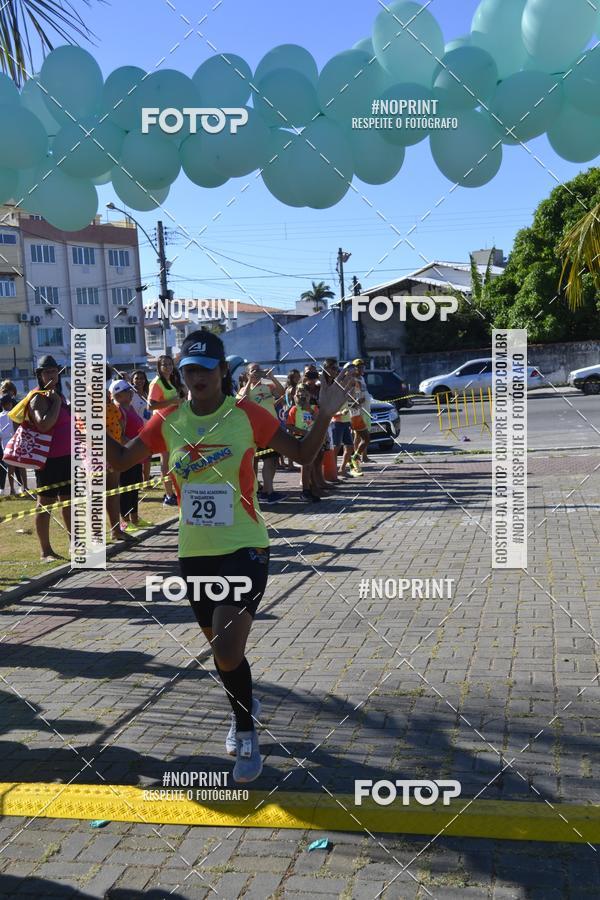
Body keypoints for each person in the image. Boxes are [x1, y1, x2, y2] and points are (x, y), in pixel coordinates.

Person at [105, 330, 352, 783]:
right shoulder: (167, 420)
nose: (197, 376)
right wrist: (92, 420)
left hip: (246, 546)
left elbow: (299, 452)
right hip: (194, 554)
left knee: (225, 645)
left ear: (223, 372)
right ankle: (244, 697)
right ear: (181, 376)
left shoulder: (247, 416)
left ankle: (245, 733)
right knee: (224, 656)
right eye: (189, 369)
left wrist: (325, 415)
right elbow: (121, 460)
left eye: (205, 368)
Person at [26, 356, 72, 561]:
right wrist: (54, 402)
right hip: (48, 460)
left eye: (54, 371)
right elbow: (44, 424)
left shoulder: (59, 396)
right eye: (47, 372)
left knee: (69, 502)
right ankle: (46, 551)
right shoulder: (39, 397)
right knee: (45, 503)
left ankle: (75, 544)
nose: (52, 375)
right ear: (40, 375)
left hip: (67, 457)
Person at [237, 363, 285, 504]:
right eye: (253, 371)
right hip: (257, 429)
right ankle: (265, 492)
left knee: (272, 460)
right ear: (247, 374)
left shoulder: (267, 387)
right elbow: (241, 401)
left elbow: (282, 393)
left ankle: (266, 490)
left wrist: (271, 377)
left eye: (259, 370)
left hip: (272, 427)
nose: (257, 373)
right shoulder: (244, 389)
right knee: (261, 460)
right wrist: (249, 382)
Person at [110, 379, 152, 532]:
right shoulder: (119, 411)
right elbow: (120, 436)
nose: (131, 392)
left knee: (135, 487)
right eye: (127, 391)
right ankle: (124, 521)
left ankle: (135, 517)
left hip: (135, 454)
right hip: (126, 454)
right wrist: (132, 448)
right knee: (126, 488)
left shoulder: (131, 408)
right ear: (119, 395)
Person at [149, 356, 185, 507]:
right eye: (164, 364)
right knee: (166, 460)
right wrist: (172, 401)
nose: (168, 367)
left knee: (176, 460)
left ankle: (177, 492)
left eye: (170, 364)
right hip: (163, 425)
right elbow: (150, 406)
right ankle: (169, 494)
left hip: (176, 425)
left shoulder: (173, 381)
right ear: (159, 366)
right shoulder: (156, 382)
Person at [286, 386, 321, 502]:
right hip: (301, 438)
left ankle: (310, 488)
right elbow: (289, 425)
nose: (302, 396)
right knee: (305, 465)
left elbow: (319, 421)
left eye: (305, 393)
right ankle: (305, 491)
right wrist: (303, 432)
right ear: (295, 396)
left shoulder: (314, 407)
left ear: (309, 395)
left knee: (310, 465)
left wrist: (310, 410)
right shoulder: (294, 409)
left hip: (313, 437)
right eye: (299, 394)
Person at [130, 370, 152, 484]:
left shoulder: (148, 393)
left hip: (148, 427)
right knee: (136, 456)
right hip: (135, 429)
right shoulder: (131, 394)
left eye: (142, 378)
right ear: (132, 380)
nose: (139, 381)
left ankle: (146, 481)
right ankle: (136, 481)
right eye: (137, 378)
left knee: (148, 456)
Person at [353, 359, 372, 463]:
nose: (361, 369)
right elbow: (356, 396)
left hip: (366, 410)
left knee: (366, 435)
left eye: (362, 367)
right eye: (358, 367)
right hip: (358, 412)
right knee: (358, 435)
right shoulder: (354, 380)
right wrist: (359, 400)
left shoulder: (362, 378)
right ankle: (357, 456)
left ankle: (364, 456)